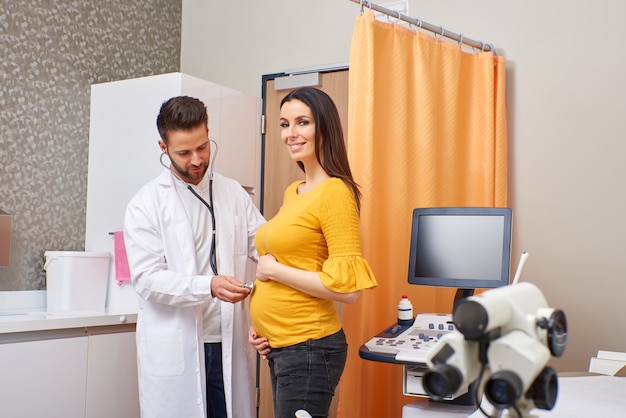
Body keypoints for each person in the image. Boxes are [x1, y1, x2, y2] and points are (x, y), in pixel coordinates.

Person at [124, 96, 265, 418]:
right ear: (163, 146)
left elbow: (267, 248)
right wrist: (209, 285)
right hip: (179, 344)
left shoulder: (233, 193)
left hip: (226, 340)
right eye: (184, 153)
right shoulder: (146, 204)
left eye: (202, 147)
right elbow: (146, 279)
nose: (197, 159)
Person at [248, 87, 378, 418]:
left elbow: (346, 291)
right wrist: (266, 328)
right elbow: (295, 261)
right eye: (284, 124)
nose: (290, 133)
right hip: (283, 347)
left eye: (302, 122)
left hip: (309, 348)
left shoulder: (335, 192)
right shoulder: (295, 192)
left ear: (324, 127)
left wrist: (272, 272)